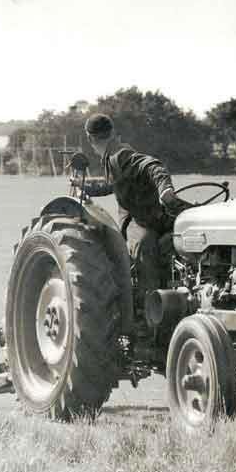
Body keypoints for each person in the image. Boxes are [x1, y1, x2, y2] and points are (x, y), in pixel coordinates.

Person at [79, 113, 188, 326]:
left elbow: (152, 165)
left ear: (91, 140)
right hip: (146, 219)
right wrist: (86, 188)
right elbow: (114, 184)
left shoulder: (120, 155)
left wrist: (165, 189)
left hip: (146, 218)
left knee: (144, 244)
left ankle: (154, 315)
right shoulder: (113, 156)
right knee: (144, 243)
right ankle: (148, 315)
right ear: (112, 133)